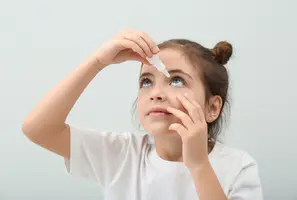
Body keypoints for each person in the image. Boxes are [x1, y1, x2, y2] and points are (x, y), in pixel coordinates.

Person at [22, 29, 263, 200]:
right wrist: (97, 62)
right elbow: (37, 130)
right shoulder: (121, 155)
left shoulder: (238, 167)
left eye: (177, 81)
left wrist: (199, 166)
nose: (156, 93)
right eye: (146, 81)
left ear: (212, 108)